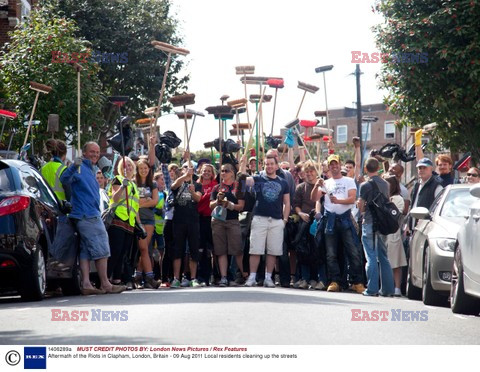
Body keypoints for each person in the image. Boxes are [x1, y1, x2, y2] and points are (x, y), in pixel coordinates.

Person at [60, 142, 125, 295]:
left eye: (97, 152)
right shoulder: (80, 167)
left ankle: (87, 284)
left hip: (88, 213)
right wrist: (73, 167)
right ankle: (105, 284)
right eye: (92, 152)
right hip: (86, 214)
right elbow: (64, 179)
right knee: (102, 246)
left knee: (86, 250)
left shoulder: (92, 169)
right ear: (84, 152)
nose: (95, 154)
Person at [311, 154, 365, 294]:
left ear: (340, 165)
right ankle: (334, 281)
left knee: (353, 251)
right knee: (331, 253)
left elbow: (352, 199)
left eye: (336, 164)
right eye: (331, 165)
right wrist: (316, 186)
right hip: (330, 220)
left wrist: (338, 201)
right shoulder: (325, 183)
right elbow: (314, 198)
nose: (334, 167)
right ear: (328, 167)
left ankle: (356, 281)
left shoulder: (348, 181)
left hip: (345, 218)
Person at [241, 156, 290, 287]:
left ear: (276, 166)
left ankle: (269, 277)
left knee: (273, 251)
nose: (269, 166)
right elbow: (243, 183)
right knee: (255, 249)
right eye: (266, 164)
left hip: (276, 220)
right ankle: (252, 277)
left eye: (271, 164)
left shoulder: (283, 182)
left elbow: (287, 202)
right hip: (259, 218)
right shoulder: (258, 179)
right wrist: (242, 165)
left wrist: (284, 220)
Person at [357, 157, 395, 297]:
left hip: (369, 222)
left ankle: (372, 289)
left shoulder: (365, 185)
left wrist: (360, 208)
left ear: (366, 169)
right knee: (383, 256)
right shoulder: (386, 184)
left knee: (371, 257)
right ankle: (388, 289)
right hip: (382, 223)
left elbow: (361, 205)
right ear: (377, 168)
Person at [107, 156, 143, 289]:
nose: (126, 167)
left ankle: (117, 279)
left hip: (130, 222)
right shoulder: (118, 180)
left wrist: (140, 225)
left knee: (123, 253)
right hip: (118, 219)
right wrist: (122, 187)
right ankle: (106, 278)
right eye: (124, 165)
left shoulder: (134, 184)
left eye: (129, 165)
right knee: (115, 251)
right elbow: (115, 199)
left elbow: (136, 207)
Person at [210, 163, 246, 286]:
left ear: (232, 173)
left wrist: (230, 205)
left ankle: (243, 274)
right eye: (222, 171)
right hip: (218, 220)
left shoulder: (238, 187)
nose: (223, 173)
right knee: (221, 250)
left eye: (226, 171)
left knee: (237, 249)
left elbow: (241, 206)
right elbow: (210, 206)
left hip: (233, 221)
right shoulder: (217, 188)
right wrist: (217, 201)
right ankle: (224, 277)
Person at [292, 160, 325, 290]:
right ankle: (305, 278)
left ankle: (319, 279)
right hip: (304, 222)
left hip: (318, 222)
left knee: (318, 251)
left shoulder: (323, 185)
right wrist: (301, 214)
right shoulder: (300, 187)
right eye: (307, 171)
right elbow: (296, 205)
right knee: (303, 252)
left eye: (312, 171)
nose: (309, 174)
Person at [170, 163, 203, 288]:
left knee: (194, 249)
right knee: (178, 249)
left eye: (190, 168)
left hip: (193, 220)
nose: (188, 170)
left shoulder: (197, 184)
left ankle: (193, 278)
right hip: (179, 220)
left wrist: (193, 192)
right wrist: (185, 176)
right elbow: (173, 186)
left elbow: (198, 199)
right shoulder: (178, 182)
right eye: (185, 167)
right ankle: (176, 278)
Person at [133, 158, 160, 289]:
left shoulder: (153, 184)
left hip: (149, 219)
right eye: (141, 168)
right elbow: (133, 202)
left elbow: (155, 201)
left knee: (145, 249)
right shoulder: (133, 183)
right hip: (136, 219)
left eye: (146, 168)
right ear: (137, 170)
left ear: (149, 170)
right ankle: (146, 277)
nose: (143, 170)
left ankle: (140, 276)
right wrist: (146, 200)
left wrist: (140, 202)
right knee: (142, 249)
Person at [384, 175, 407, 297]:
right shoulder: (381, 197)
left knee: (395, 261)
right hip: (383, 233)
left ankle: (397, 287)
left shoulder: (398, 198)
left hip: (393, 232)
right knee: (384, 261)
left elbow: (395, 214)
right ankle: (385, 285)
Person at [196, 163, 218, 286]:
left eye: (209, 171)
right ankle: (202, 275)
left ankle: (215, 274)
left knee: (214, 248)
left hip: (212, 218)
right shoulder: (196, 185)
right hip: (199, 219)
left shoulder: (215, 185)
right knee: (201, 249)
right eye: (204, 170)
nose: (206, 173)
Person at [409, 158, 443, 229]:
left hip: (427, 228)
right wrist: (409, 224)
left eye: (424, 168)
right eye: (419, 168)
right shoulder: (417, 185)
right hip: (414, 226)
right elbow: (413, 205)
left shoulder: (436, 185)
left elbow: (439, 207)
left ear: (431, 169)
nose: (421, 170)